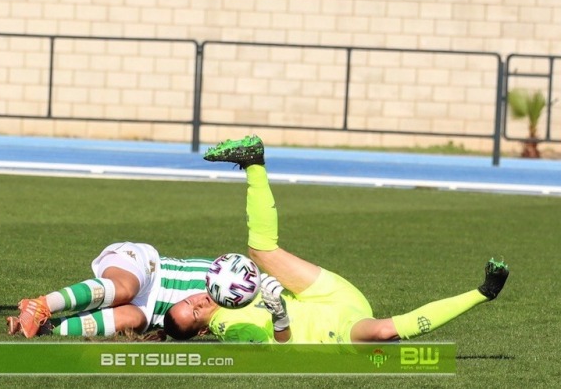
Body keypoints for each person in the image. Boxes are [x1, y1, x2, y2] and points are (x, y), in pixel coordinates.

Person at [164, 135, 510, 344]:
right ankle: (483, 292)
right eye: (194, 314)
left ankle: (253, 162)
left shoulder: (219, 290)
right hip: (336, 331)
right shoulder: (231, 329)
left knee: (261, 249)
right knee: (381, 334)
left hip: (328, 295)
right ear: (200, 331)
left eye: (190, 301)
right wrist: (279, 315)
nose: (199, 303)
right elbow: (277, 353)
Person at [6, 242, 212, 339]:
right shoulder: (237, 279)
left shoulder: (228, 322)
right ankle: (41, 305)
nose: (201, 301)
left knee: (134, 321)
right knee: (126, 289)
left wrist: (164, 334)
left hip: (147, 312)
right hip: (148, 267)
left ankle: (45, 327)